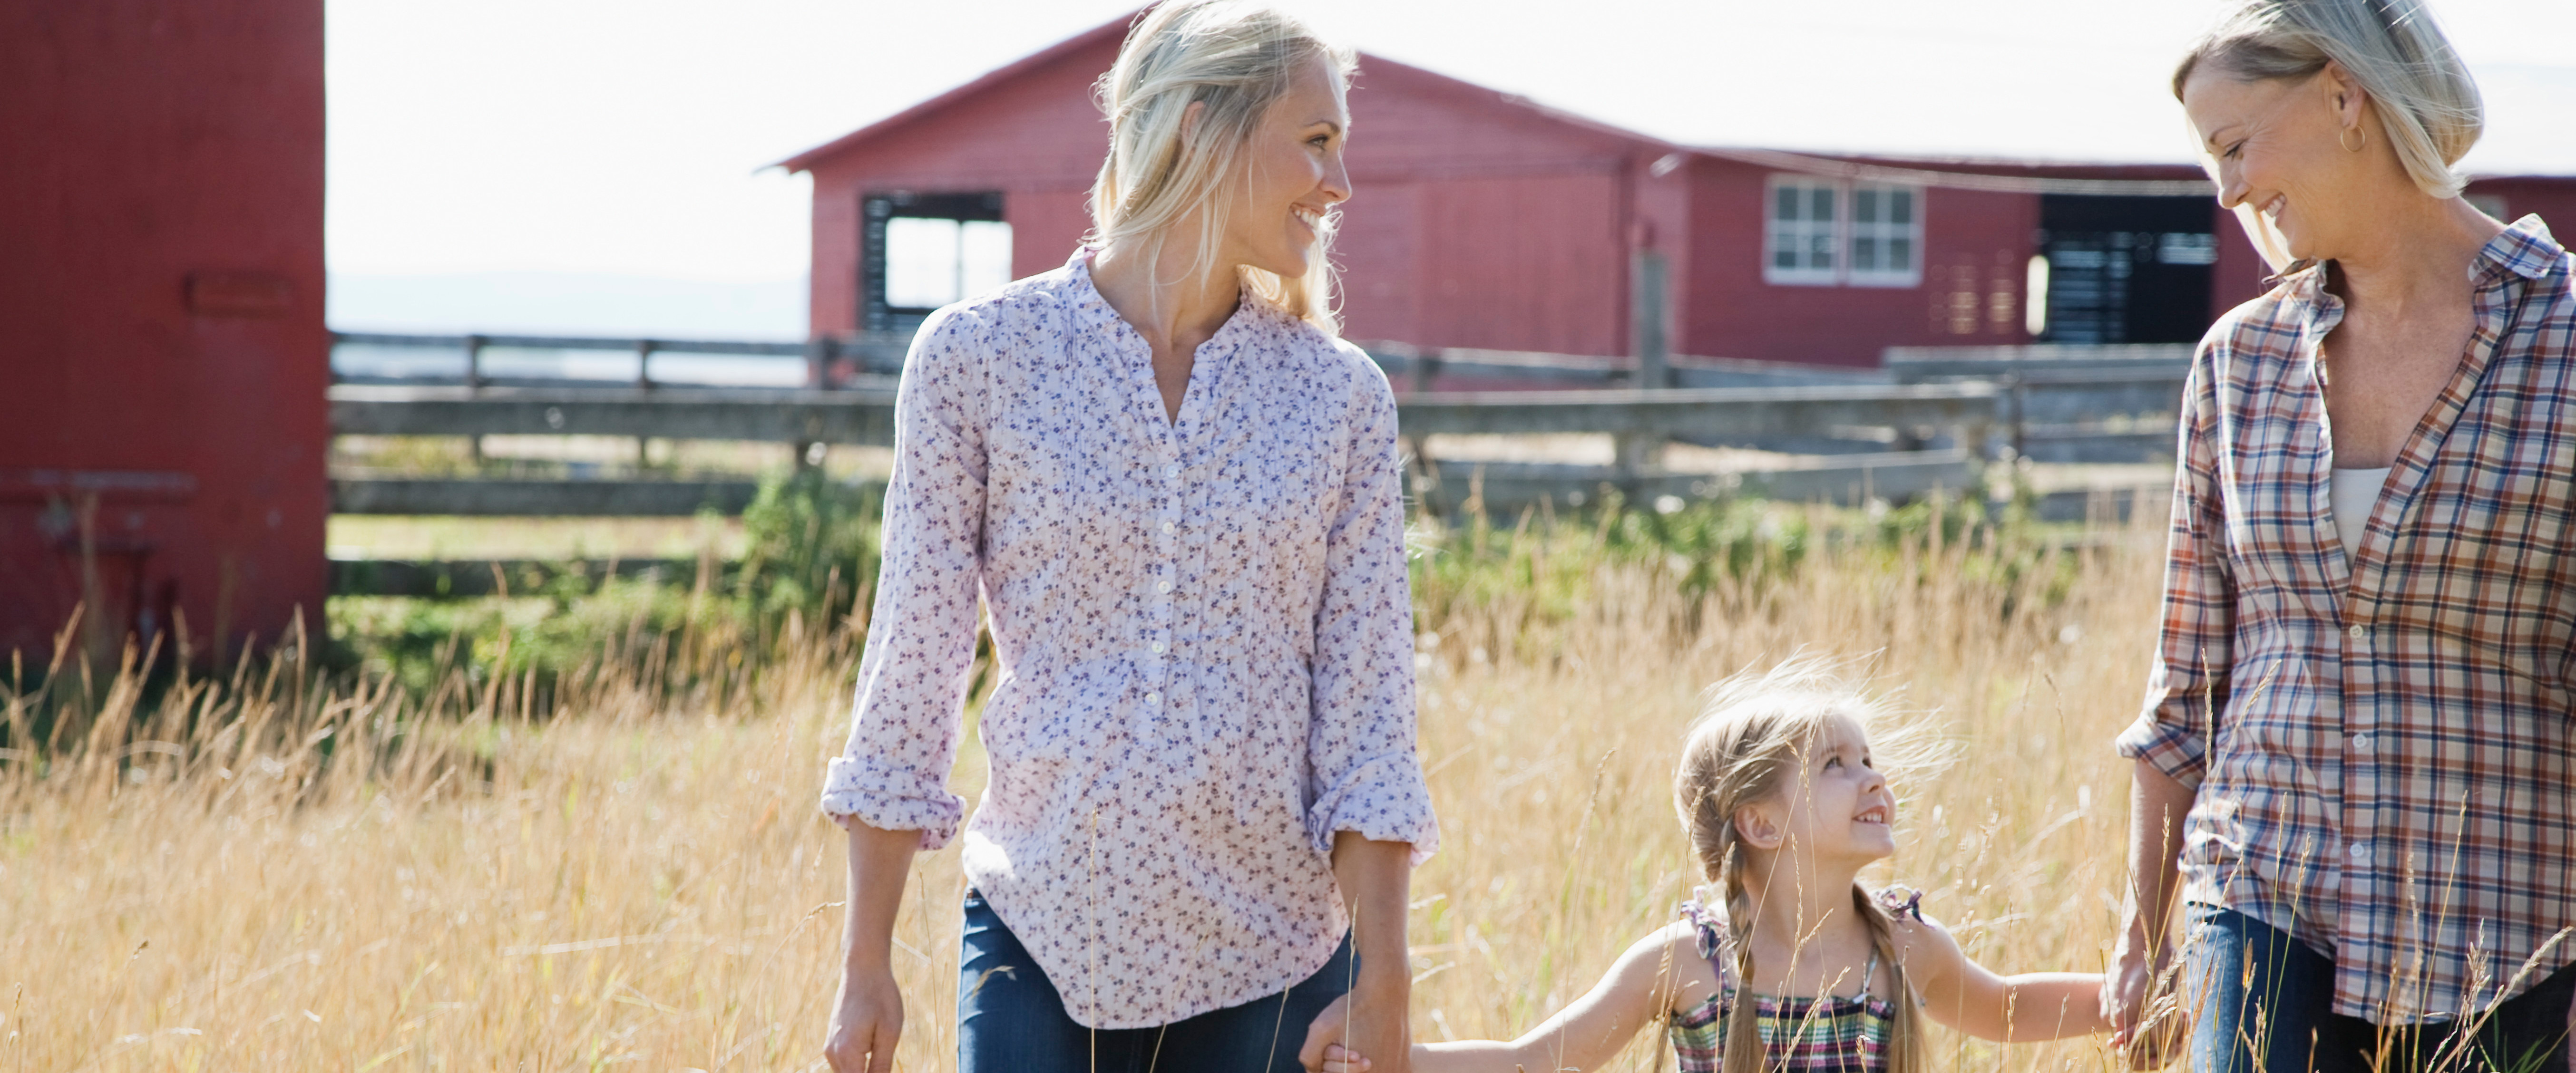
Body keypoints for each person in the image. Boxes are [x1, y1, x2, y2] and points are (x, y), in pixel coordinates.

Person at [816, 3, 1437, 1071]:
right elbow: (911, 668)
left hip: (1276, 958)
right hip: (1038, 934)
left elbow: (1369, 708)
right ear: (1200, 127)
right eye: (1316, 140)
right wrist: (863, 960)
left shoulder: (1340, 398)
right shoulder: (977, 359)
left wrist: (1386, 973)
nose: (1339, 184)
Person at [2105, 2, 2576, 1070]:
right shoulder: (2238, 361)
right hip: (2263, 897)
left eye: (2233, 146)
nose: (2224, 190)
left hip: (2507, 928)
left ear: (2340, 94)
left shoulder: (2563, 335)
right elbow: (2187, 689)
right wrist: (2139, 937)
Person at [1319, 660, 2112, 1073]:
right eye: (1836, 764)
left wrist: (2122, 1000)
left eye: (1870, 759)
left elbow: (2006, 1006)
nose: (1875, 777)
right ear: (1758, 822)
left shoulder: (1901, 946)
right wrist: (1400, 1061)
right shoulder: (1687, 963)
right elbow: (1535, 1059)